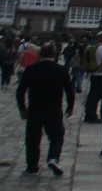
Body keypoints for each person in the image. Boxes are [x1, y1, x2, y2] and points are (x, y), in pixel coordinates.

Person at [16, 43, 75, 176]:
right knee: (57, 136)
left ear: (40, 54)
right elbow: (70, 91)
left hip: (35, 109)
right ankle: (53, 158)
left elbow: (20, 91)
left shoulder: (31, 69)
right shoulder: (61, 70)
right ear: (54, 55)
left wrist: (22, 108)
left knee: (32, 139)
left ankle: (32, 166)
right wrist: (70, 107)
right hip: (54, 109)